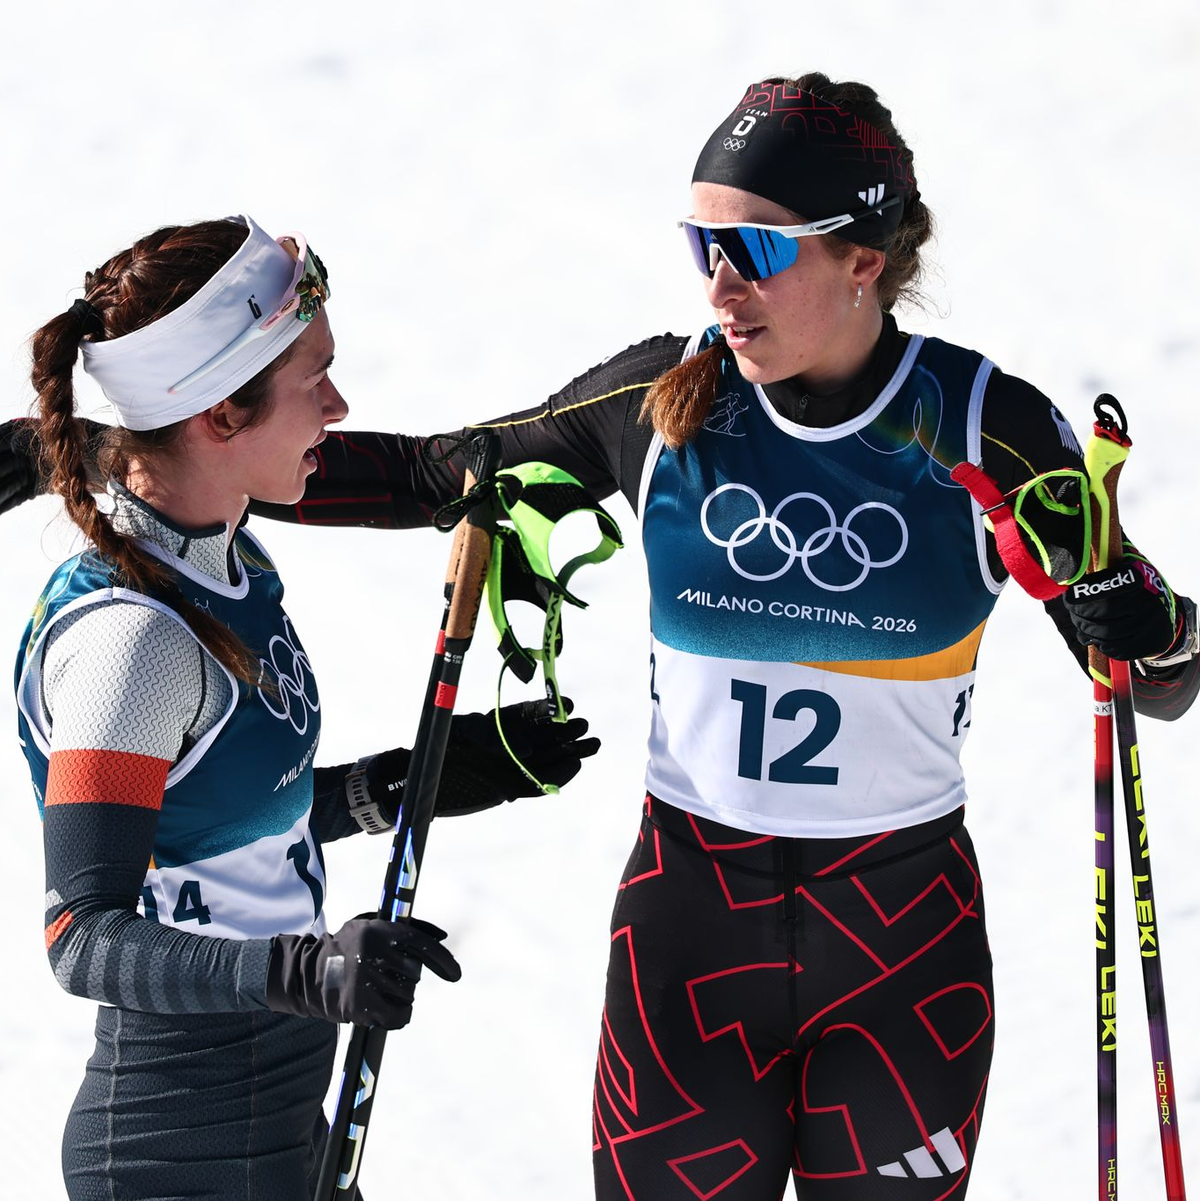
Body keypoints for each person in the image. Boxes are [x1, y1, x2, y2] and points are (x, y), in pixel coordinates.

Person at [3, 78, 1196, 1198]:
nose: (721, 283)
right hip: (693, 937)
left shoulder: (988, 428)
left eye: (759, 251)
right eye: (704, 247)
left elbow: (1158, 669)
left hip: (898, 947)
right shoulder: (661, 402)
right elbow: (422, 473)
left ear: (862, 260)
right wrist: (112, 445)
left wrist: (1144, 625)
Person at [11, 215, 598, 1200]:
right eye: (311, 378)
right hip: (173, 1157)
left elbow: (221, 838)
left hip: (284, 1134)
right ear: (220, 415)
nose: (338, 405)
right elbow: (83, 933)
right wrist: (305, 971)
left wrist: (400, 785)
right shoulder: (130, 640)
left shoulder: (232, 568)